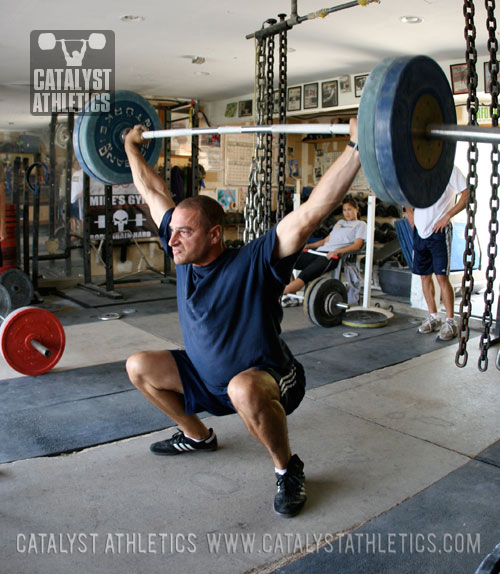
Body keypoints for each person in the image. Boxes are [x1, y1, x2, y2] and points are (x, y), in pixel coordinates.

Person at [123, 124, 361, 518]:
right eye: (173, 231)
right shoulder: (185, 255)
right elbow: (152, 192)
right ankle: (197, 435)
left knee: (244, 388)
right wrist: (131, 148)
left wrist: (355, 146)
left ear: (214, 235)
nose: (172, 240)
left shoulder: (254, 262)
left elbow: (311, 212)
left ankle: (287, 469)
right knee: (138, 366)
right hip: (205, 377)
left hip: (266, 377)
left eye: (184, 231)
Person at [405, 165, 468, 341]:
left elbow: (467, 194)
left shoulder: (449, 169)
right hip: (420, 233)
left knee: (441, 277)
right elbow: (405, 196)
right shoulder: (418, 170)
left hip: (439, 232)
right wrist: (409, 213)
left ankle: (450, 321)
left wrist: (448, 216)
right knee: (424, 276)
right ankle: (433, 316)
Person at [281, 196, 366, 305]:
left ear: (357, 209)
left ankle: (274, 294)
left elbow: (357, 246)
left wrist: (338, 252)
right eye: (344, 210)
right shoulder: (340, 222)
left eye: (349, 209)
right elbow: (324, 241)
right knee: (286, 261)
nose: (347, 213)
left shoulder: (361, 225)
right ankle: (292, 296)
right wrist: (307, 246)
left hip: (330, 256)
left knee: (304, 275)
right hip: (318, 252)